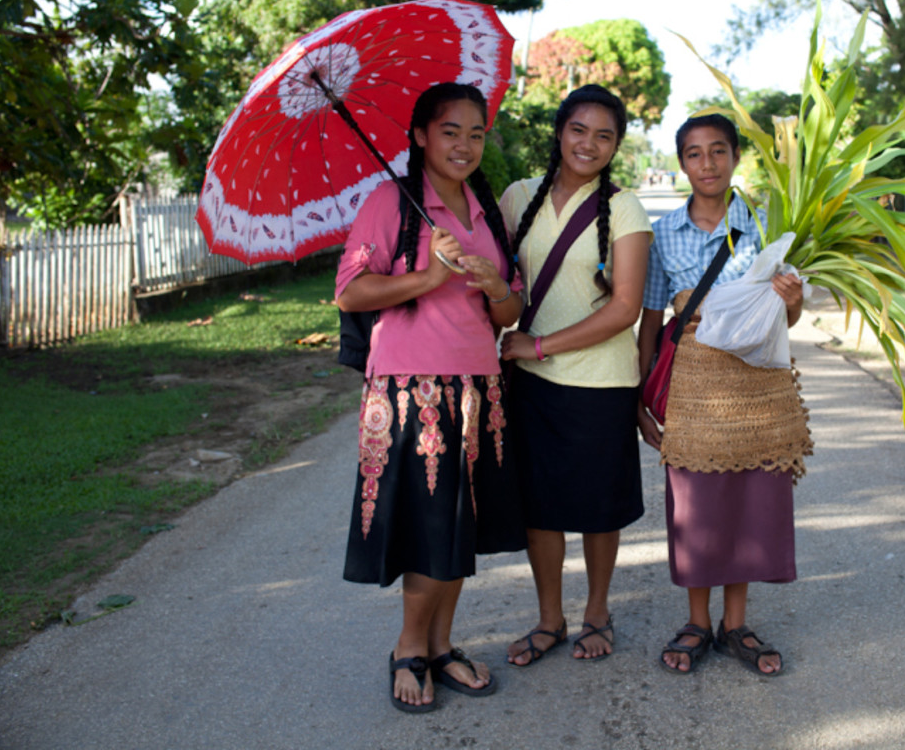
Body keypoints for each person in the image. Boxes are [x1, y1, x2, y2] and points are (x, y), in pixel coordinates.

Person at [335, 82, 526, 712]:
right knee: (430, 525)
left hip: (478, 388)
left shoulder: (485, 210)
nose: (464, 145)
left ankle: (442, 646)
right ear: (419, 136)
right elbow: (350, 292)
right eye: (450, 131)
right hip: (410, 389)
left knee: (460, 525)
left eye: (476, 133)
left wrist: (496, 285)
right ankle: (409, 648)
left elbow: (508, 313)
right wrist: (427, 276)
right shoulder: (390, 201)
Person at [637, 113, 813, 676]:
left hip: (756, 382)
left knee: (746, 497)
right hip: (692, 386)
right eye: (694, 153)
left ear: (736, 157)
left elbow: (787, 317)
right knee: (696, 504)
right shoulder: (662, 233)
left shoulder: (767, 226)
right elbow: (650, 321)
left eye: (718, 151)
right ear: (681, 162)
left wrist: (791, 302)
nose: (707, 163)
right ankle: (698, 622)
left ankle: (735, 624)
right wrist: (639, 400)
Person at [498, 84, 653, 665]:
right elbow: (501, 283)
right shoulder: (518, 198)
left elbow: (625, 308)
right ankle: (549, 619)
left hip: (602, 383)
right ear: (560, 132)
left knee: (597, 507)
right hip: (531, 386)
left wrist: (539, 345)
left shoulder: (625, 207)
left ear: (615, 146)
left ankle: (597, 613)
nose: (589, 144)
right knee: (539, 508)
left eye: (604, 136)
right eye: (579, 130)